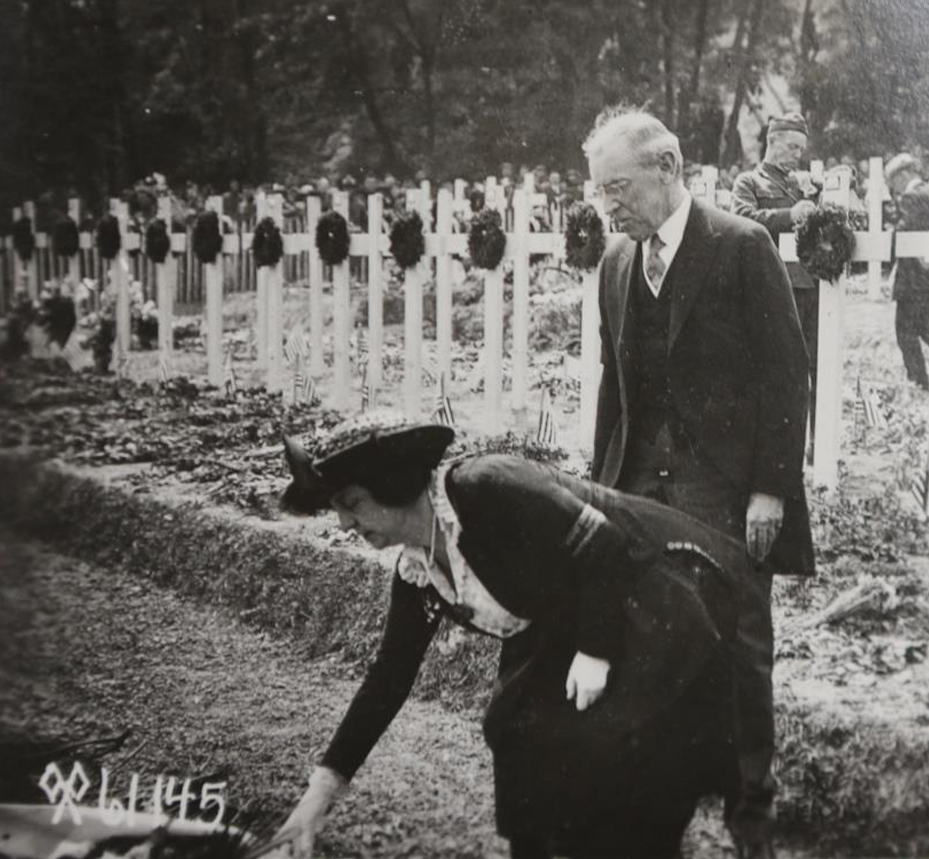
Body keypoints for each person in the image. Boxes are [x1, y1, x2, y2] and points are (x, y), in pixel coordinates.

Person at [274, 410, 763, 859]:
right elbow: (388, 679)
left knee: (619, 768)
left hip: (660, 604)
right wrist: (318, 796)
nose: (343, 522)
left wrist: (595, 652)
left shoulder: (485, 486)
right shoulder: (418, 571)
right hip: (581, 616)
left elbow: (603, 543)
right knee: (516, 731)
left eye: (351, 502)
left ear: (393, 482)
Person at [584, 107, 815, 859]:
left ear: (668, 166)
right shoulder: (616, 263)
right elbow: (612, 394)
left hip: (726, 495)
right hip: (642, 494)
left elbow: (785, 378)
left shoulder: (741, 246)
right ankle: (660, 824)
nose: (607, 205)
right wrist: (600, 497)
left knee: (742, 653)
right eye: (598, 193)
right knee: (649, 649)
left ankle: (753, 825)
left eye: (616, 187)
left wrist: (770, 491)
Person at [731, 112, 822, 425]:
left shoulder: (804, 185)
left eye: (801, 149)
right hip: (773, 287)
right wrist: (790, 215)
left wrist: (822, 195)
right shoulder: (749, 182)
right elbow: (742, 220)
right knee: (777, 367)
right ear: (772, 141)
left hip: (811, 286)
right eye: (792, 147)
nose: (798, 156)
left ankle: (814, 441)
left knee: (817, 366)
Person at [884, 152, 929, 390]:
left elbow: (903, 235)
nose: (892, 188)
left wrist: (889, 240)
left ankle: (918, 380)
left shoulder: (911, 196)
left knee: (905, 330)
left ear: (903, 174)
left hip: (913, 277)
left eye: (892, 181)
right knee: (924, 326)